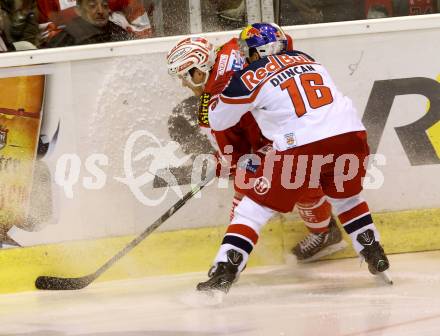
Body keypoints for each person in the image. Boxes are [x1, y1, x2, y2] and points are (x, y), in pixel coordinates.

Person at [203, 23, 391, 294]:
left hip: (302, 145)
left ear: (260, 50)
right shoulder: (308, 59)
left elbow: (218, 120)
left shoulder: (249, 75)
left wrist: (217, 96)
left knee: (252, 208)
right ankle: (375, 254)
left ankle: (224, 271)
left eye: (248, 51)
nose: (245, 57)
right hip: (352, 136)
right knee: (346, 198)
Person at [166, 31, 347, 266]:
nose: (183, 83)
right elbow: (283, 39)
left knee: (289, 182)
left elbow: (233, 155)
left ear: (199, 71)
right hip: (298, 120)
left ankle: (322, 234)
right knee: (284, 177)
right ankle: (320, 231)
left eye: (184, 76)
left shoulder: (215, 101)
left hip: (290, 131)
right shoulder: (231, 48)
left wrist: (225, 161)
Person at [44, 0, 131, 48]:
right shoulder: (68, 36)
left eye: (104, 5)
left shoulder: (115, 30)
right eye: (92, 6)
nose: (100, 11)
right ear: (78, 10)